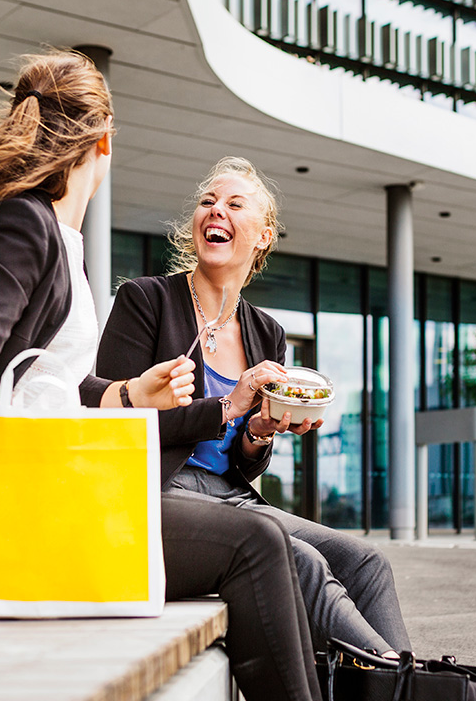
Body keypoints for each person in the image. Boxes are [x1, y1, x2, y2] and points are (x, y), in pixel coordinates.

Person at [0, 53, 321, 701]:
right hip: (39, 506)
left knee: (280, 546)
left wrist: (124, 394)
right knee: (258, 542)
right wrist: (0, 516)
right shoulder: (23, 225)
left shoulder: (57, 235)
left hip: (58, 493)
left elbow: (51, 384)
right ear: (105, 141)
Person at [96, 156, 411, 656]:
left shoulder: (267, 333)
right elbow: (109, 428)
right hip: (154, 493)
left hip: (230, 498)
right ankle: (406, 682)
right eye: (207, 201)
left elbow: (245, 460)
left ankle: (398, 681)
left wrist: (260, 430)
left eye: (233, 204)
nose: (215, 210)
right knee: (300, 560)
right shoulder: (145, 300)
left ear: (263, 235)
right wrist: (226, 405)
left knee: (364, 560)